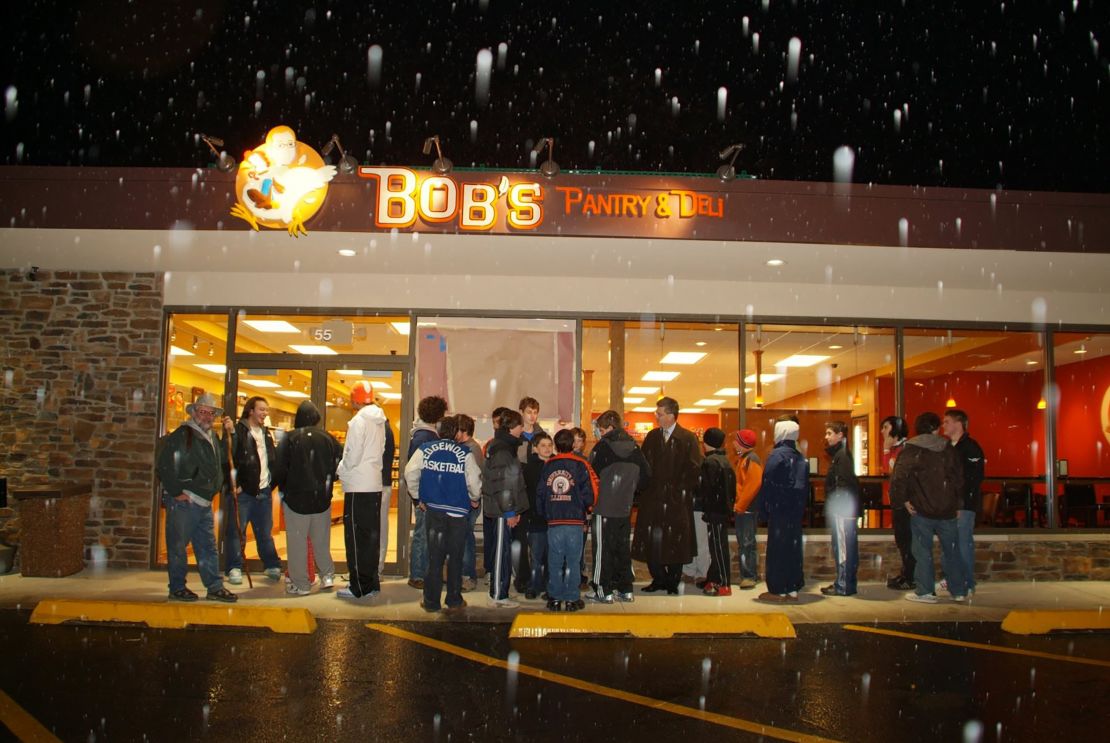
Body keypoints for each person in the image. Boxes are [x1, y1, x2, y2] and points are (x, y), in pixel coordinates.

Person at [155, 393, 238, 603]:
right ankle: (177, 587)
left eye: (211, 413)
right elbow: (164, 465)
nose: (207, 416)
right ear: (193, 412)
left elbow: (226, 456)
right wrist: (176, 492)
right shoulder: (182, 435)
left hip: (203, 502)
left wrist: (232, 434)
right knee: (178, 546)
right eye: (203, 411)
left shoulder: (211, 437)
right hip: (186, 501)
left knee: (207, 546)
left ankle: (214, 586)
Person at [404, 416, 483, 615]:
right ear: (456, 432)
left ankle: (431, 601)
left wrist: (417, 496)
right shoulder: (465, 452)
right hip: (458, 512)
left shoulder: (425, 449)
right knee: (455, 556)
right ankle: (454, 599)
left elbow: (410, 472)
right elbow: (473, 480)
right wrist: (474, 498)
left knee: (435, 557)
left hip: (434, 510)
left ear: (438, 432)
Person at [890, 412, 968, 603]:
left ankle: (925, 590)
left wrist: (903, 500)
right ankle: (958, 590)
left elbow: (899, 477)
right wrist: (958, 504)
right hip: (947, 509)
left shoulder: (911, 450)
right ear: (936, 428)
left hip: (921, 509)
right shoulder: (947, 449)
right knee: (951, 551)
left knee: (922, 551)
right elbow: (958, 478)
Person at [631, 397, 704, 595]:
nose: (657, 417)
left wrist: (678, 491)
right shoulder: (653, 437)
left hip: (676, 501)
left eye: (660, 414)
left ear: (671, 416)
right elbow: (644, 466)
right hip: (652, 499)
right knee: (653, 542)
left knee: (676, 542)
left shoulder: (687, 438)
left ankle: (672, 580)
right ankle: (658, 578)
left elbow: (693, 469)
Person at [272, 400, 342, 596]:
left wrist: (272, 487)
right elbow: (340, 462)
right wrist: (329, 478)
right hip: (322, 498)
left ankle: (301, 584)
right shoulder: (328, 438)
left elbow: (279, 468)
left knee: (297, 542)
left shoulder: (289, 438)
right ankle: (327, 576)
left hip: (296, 498)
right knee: (321, 540)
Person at [588, 410, 651, 603]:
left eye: (600, 429)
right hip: (625, 507)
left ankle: (603, 589)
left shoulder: (602, 448)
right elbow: (646, 478)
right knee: (622, 549)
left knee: (602, 551)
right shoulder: (635, 449)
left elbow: (590, 476)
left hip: (603, 507)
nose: (598, 432)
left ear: (609, 428)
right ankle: (625, 588)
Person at [336, 381, 391, 600]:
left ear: (355, 399)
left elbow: (352, 454)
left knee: (356, 538)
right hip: (374, 483)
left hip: (357, 484)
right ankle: (371, 582)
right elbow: (383, 449)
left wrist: (341, 469)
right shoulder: (380, 421)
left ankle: (359, 586)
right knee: (370, 537)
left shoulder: (359, 421)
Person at [223, 396, 283, 584]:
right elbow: (228, 458)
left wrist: (271, 483)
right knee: (236, 532)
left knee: (265, 532)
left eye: (266, 410)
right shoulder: (238, 431)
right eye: (261, 409)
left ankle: (271, 564)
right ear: (251, 411)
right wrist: (235, 484)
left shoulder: (266, 434)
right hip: (243, 494)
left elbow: (271, 460)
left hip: (263, 492)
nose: (265, 413)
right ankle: (234, 567)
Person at [536, 429, 598, 612]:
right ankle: (571, 598)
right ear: (572, 444)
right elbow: (590, 492)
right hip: (575, 521)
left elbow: (541, 492)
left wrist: (544, 513)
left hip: (554, 520)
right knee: (573, 560)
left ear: (555, 445)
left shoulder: (548, 466)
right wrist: (587, 506)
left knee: (554, 560)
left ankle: (555, 597)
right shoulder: (580, 464)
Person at [755, 416, 809, 604]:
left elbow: (768, 484)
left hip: (779, 512)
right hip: (794, 513)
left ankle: (777, 589)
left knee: (777, 551)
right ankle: (793, 587)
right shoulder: (800, 457)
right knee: (793, 550)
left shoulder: (777, 456)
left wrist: (763, 510)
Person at [483, 408, 530, 608]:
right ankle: (498, 595)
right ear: (512, 427)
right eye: (521, 425)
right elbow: (503, 484)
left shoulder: (503, 446)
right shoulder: (503, 449)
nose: (523, 428)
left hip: (504, 509)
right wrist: (510, 511)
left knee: (502, 552)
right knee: (501, 553)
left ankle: (500, 591)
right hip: (503, 511)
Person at [404, 395, 448, 590]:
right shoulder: (426, 437)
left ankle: (421, 573)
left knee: (424, 534)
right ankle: (417, 574)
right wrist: (418, 497)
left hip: (425, 494)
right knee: (422, 534)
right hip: (425, 496)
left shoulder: (422, 435)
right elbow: (414, 470)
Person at [943, 409, 985, 597]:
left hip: (963, 507)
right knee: (952, 545)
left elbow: (972, 480)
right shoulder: (948, 447)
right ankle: (954, 580)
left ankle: (967, 582)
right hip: (949, 506)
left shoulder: (970, 448)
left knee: (962, 544)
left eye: (947, 422)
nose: (943, 425)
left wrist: (961, 504)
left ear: (958, 424)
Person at [821, 420, 860, 597]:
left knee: (844, 548)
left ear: (840, 435)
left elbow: (842, 483)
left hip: (843, 511)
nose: (826, 437)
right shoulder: (843, 455)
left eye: (830, 433)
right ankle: (845, 582)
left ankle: (843, 584)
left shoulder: (841, 456)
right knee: (846, 547)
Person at [512, 396, 546, 591]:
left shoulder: (542, 435)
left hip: (537, 492)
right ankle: (522, 577)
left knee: (539, 538)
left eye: (535, 412)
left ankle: (538, 577)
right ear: (522, 412)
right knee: (520, 538)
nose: (532, 416)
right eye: (529, 412)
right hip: (520, 491)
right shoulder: (516, 435)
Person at [699, 428, 737, 597]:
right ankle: (714, 578)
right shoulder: (725, 460)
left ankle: (723, 583)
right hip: (723, 510)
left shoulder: (710, 463)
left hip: (715, 511)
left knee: (718, 548)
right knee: (718, 546)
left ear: (705, 442)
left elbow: (706, 489)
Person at [880, 416, 915, 590]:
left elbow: (893, 473)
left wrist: (886, 451)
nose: (882, 431)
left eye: (885, 427)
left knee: (906, 540)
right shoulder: (897, 449)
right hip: (899, 502)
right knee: (902, 540)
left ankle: (910, 577)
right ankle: (906, 574)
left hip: (906, 503)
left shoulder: (905, 449)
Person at [521, 432, 554, 599]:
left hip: (554, 519)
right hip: (535, 518)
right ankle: (534, 585)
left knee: (552, 557)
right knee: (536, 555)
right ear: (535, 448)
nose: (547, 448)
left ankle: (550, 587)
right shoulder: (530, 468)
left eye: (549, 445)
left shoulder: (557, 465)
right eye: (543, 445)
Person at [454, 414, 485, 593]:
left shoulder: (472, 449)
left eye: (456, 430)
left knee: (466, 538)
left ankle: (468, 576)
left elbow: (474, 478)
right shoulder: (466, 447)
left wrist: (474, 498)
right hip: (465, 500)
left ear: (463, 431)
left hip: (468, 500)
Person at [731, 429, 764, 590]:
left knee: (746, 543)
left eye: (736, 440)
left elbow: (753, 485)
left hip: (747, 509)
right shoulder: (745, 458)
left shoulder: (751, 459)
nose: (733, 443)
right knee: (746, 543)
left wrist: (740, 505)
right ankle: (749, 575)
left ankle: (749, 576)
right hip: (745, 508)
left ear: (742, 443)